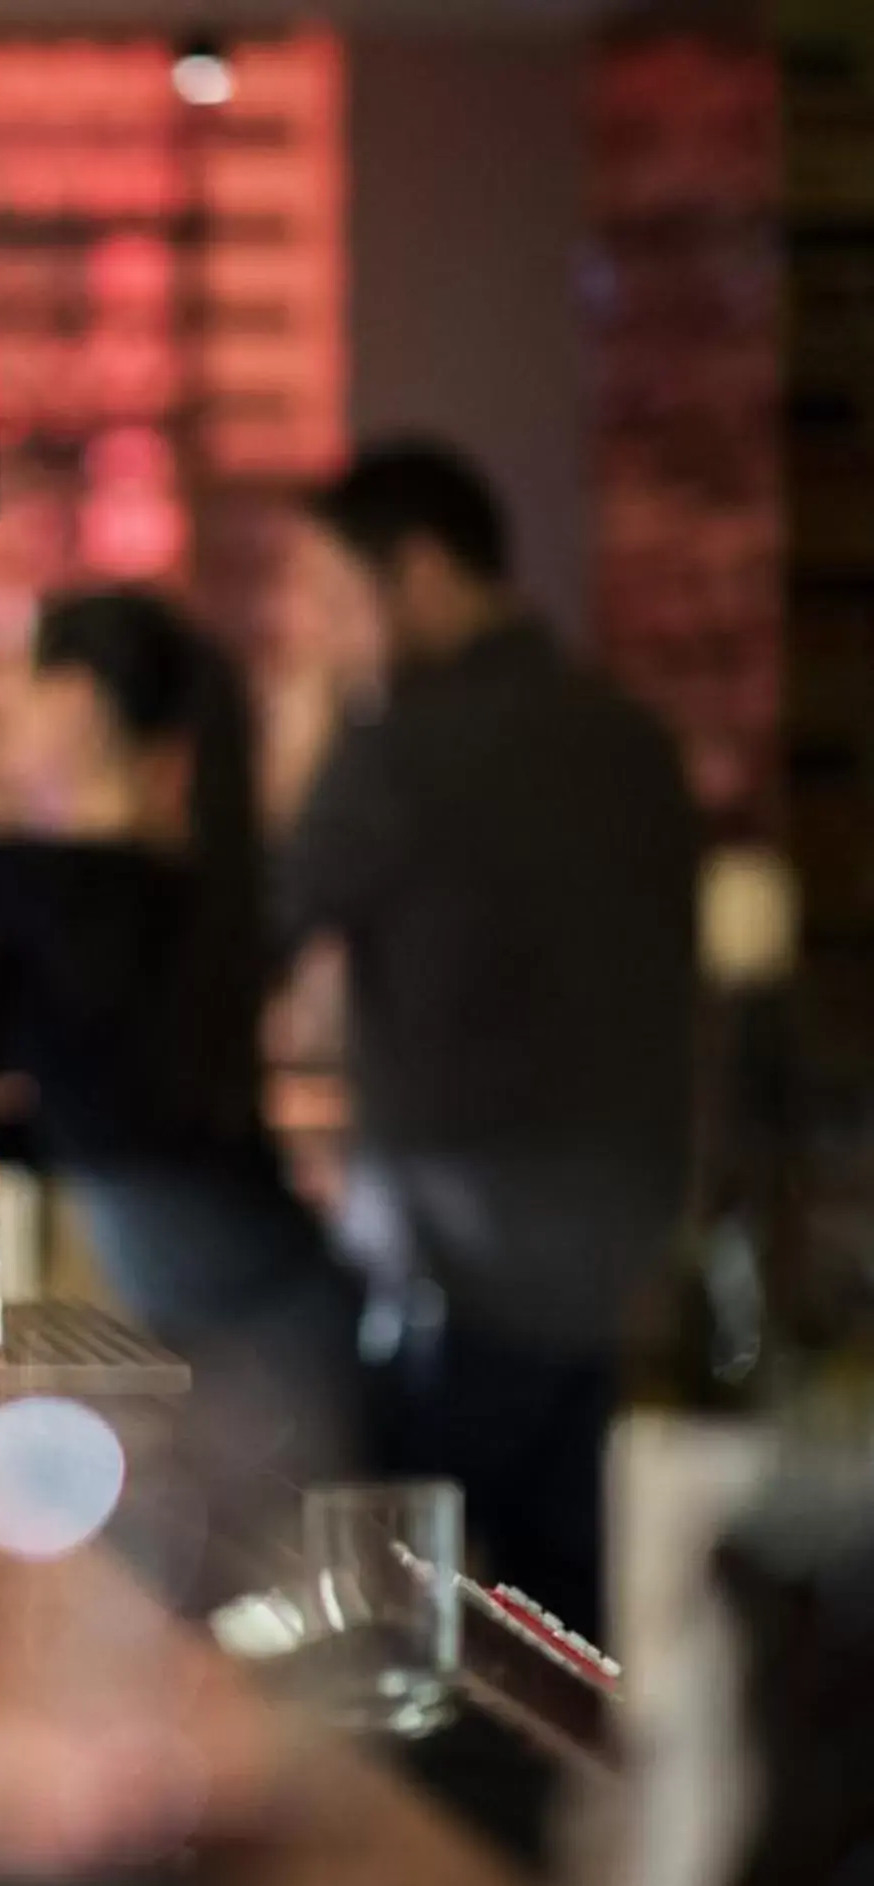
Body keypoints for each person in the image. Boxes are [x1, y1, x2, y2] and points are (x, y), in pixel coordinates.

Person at [0, 591, 362, 1479]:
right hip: (247, 1307)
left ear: (80, 701)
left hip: (255, 1340)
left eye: (27, 678)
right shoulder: (138, 886)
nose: (4, 705)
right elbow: (90, 1116)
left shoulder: (97, 891)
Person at [276, 438, 699, 1639]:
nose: (323, 637)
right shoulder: (636, 741)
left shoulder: (399, 752)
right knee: (586, 1645)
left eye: (332, 601)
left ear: (415, 572)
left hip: (461, 1270)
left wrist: (309, 741)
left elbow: (257, 920)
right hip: (634, 1261)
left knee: (418, 1640)